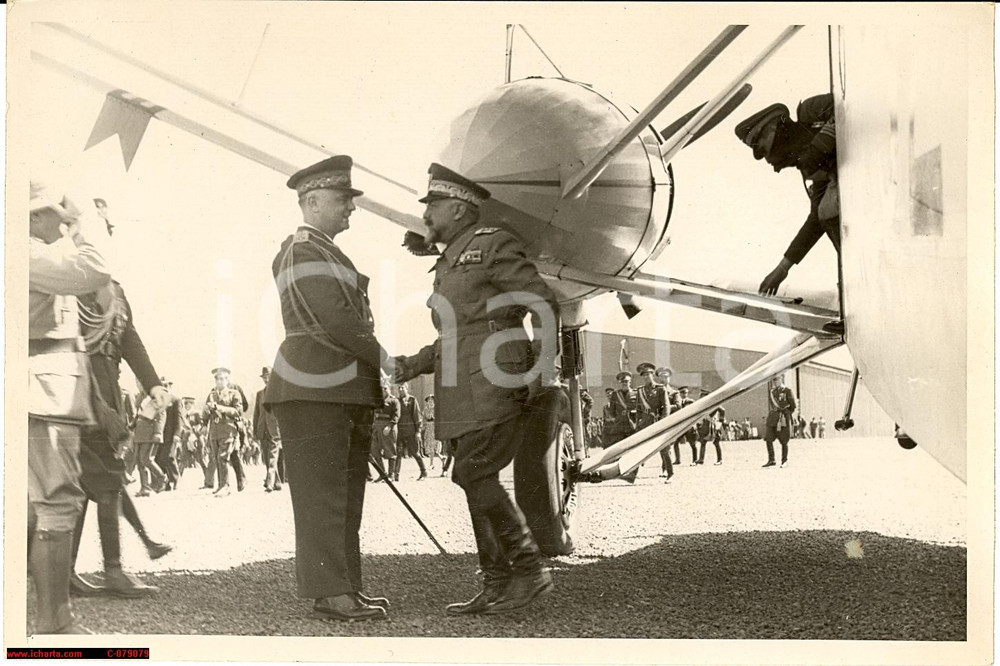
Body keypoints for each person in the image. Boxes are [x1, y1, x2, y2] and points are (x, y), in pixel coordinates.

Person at [395, 163, 557, 615]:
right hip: (462, 386)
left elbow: (542, 303)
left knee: (475, 472)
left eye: (434, 207)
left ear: (462, 210)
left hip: (494, 379)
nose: (426, 216)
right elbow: (455, 335)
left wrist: (540, 370)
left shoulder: (491, 245)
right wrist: (410, 365)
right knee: (470, 475)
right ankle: (497, 583)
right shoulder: (448, 262)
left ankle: (529, 569)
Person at [263, 156, 394, 622]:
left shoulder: (324, 252)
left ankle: (343, 589)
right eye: (343, 200)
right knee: (324, 496)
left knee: (343, 495)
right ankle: (331, 592)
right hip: (314, 387)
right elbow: (338, 320)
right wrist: (387, 360)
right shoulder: (303, 251)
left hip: (333, 388)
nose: (351, 209)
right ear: (312, 202)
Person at [28, 181, 112, 634]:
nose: (59, 221)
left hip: (43, 387)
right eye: (53, 213)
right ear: (33, 217)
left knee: (37, 505)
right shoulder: (27, 253)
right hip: (43, 390)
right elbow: (97, 268)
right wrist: (82, 222)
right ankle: (54, 625)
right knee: (56, 504)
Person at [72, 271, 174, 599]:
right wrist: (99, 406)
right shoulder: (68, 280)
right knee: (105, 480)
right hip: (80, 391)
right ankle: (112, 572)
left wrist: (153, 382)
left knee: (85, 483)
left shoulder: (114, 288)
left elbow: (129, 338)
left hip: (108, 387)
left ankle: (65, 572)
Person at [735, 94, 840, 300]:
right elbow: (816, 221)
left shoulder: (809, 112)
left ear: (773, 128)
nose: (771, 161)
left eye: (763, 148)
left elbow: (848, 106)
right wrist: (783, 268)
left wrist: (819, 148)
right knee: (825, 212)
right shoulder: (813, 175)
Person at [203, 367, 246, 496]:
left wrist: (219, 407)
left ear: (227, 380)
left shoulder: (234, 394)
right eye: (217, 379)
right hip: (214, 431)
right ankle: (221, 484)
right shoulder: (211, 395)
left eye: (223, 379)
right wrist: (204, 423)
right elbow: (206, 411)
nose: (220, 381)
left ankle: (225, 486)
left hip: (228, 430)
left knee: (223, 457)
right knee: (216, 458)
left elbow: (238, 412)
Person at [634, 363, 672, 481]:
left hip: (657, 422)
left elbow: (666, 406)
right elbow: (638, 409)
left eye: (648, 374)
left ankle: (669, 473)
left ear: (652, 375)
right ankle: (632, 474)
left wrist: (663, 422)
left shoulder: (660, 389)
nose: (646, 377)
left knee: (664, 449)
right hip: (644, 424)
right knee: (637, 449)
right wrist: (638, 423)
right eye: (644, 375)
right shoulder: (640, 390)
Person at [132, 381, 167, 497]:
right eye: (137, 383)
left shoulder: (157, 397)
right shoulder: (139, 397)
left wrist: (158, 432)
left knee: (146, 459)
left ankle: (162, 478)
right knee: (138, 460)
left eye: (141, 382)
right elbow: (138, 414)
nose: (139, 385)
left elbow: (161, 415)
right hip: (139, 432)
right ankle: (145, 487)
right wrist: (132, 425)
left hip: (150, 432)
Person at [253, 366, 283, 492]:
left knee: (272, 456)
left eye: (269, 377)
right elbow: (256, 413)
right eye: (264, 377)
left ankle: (269, 482)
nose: (266, 379)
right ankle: (277, 482)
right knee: (266, 457)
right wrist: (255, 430)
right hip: (262, 428)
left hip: (275, 430)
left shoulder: (279, 393)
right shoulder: (260, 394)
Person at [157, 379, 186, 491]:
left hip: (172, 434)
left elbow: (180, 418)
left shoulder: (176, 400)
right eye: (162, 386)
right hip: (161, 434)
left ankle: (174, 479)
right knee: (159, 458)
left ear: (170, 387)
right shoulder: (159, 401)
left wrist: (177, 434)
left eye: (166, 385)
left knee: (169, 457)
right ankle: (166, 482)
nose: (164, 388)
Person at [395, 383, 428, 481]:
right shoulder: (397, 401)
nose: (401, 389)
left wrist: (418, 431)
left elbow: (417, 416)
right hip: (399, 431)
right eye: (399, 388)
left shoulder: (412, 400)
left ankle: (424, 471)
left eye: (403, 388)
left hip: (410, 431)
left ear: (407, 388)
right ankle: (396, 475)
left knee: (415, 452)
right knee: (398, 452)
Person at [763, 374, 796, 468]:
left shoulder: (787, 390)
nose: (775, 382)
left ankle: (784, 461)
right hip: (773, 417)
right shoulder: (772, 392)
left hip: (783, 418)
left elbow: (793, 406)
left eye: (777, 379)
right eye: (774, 380)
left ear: (781, 379)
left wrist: (786, 414)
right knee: (768, 438)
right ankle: (771, 459)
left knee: (784, 440)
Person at [371, 383, 400, 481]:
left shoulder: (394, 401)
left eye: (385, 388)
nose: (383, 390)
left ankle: (391, 475)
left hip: (387, 428)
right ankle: (382, 474)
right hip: (376, 427)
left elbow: (396, 415)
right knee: (374, 451)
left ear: (389, 389)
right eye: (381, 389)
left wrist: (389, 426)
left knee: (390, 451)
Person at [420, 395, 441, 471]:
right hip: (428, 428)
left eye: (432, 401)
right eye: (429, 401)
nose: (430, 402)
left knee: (434, 446)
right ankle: (441, 458)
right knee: (429, 446)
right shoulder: (425, 410)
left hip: (435, 428)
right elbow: (423, 419)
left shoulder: (437, 410)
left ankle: (431, 464)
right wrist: (422, 427)